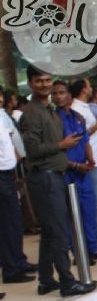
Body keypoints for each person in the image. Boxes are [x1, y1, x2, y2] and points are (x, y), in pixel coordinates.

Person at [20, 65, 96, 297]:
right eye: (39, 81)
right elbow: (32, 150)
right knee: (60, 231)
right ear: (31, 83)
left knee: (51, 231)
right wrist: (61, 146)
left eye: (47, 80)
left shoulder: (49, 110)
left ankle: (45, 280)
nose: (44, 84)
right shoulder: (32, 114)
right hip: (44, 178)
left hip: (54, 176)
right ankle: (67, 282)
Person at [52, 81, 97, 263]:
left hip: (84, 169)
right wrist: (74, 165)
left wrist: (90, 159)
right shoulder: (54, 120)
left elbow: (85, 140)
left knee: (89, 209)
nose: (58, 96)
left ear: (69, 95)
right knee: (73, 214)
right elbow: (57, 149)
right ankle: (79, 252)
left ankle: (93, 247)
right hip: (68, 170)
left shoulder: (78, 116)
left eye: (62, 92)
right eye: (55, 93)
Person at [0, 110, 37, 286]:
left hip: (8, 174)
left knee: (14, 222)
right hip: (1, 176)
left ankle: (18, 261)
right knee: (7, 224)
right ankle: (11, 269)